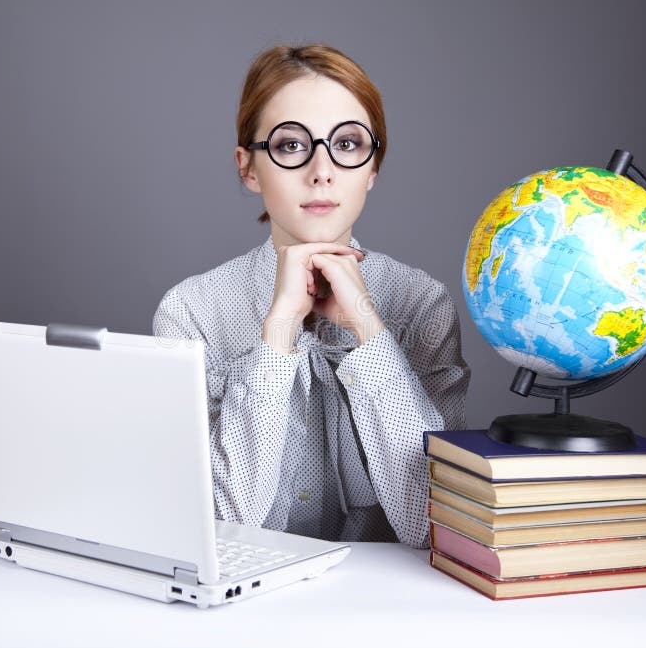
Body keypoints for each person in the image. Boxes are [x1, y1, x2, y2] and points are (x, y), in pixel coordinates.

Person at [153, 44, 469, 548]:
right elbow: (213, 527)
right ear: (249, 168)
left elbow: (433, 524)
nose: (322, 170)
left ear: (372, 168)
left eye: (346, 144)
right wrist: (276, 339)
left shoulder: (421, 303)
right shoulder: (192, 311)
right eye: (292, 145)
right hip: (244, 609)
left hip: (389, 607)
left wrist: (368, 332)